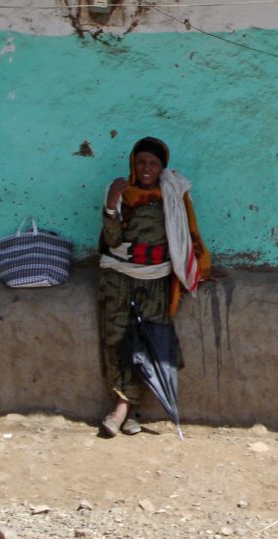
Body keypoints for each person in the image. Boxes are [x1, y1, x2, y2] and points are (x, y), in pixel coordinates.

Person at [97, 137, 222, 437]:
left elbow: (186, 235)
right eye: (141, 162)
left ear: (162, 167)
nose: (146, 168)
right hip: (118, 278)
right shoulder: (121, 194)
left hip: (155, 280)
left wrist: (199, 268)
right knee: (116, 339)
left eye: (153, 163)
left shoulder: (172, 195)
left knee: (149, 340)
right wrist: (111, 207)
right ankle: (124, 409)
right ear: (132, 163)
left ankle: (124, 409)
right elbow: (112, 242)